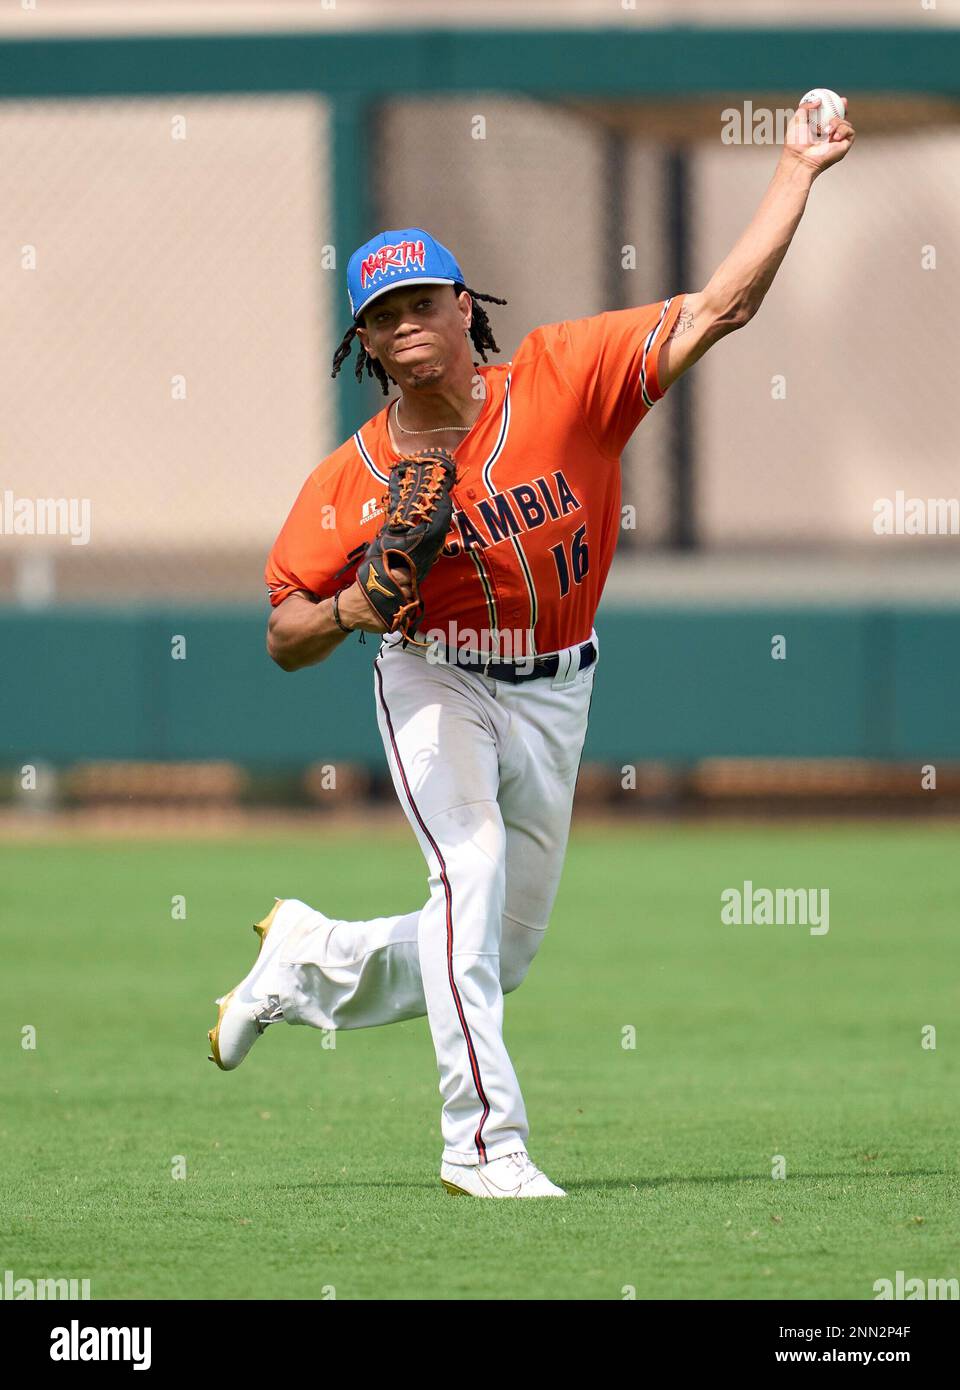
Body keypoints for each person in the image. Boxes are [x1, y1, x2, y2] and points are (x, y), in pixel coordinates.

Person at [208, 98, 855, 1198]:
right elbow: (282, 634)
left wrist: (795, 167)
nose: (407, 320)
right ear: (361, 341)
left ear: (467, 306)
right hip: (435, 678)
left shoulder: (565, 379)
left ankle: (310, 961)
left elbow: (722, 308)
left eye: (423, 298)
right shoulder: (348, 481)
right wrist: (356, 609)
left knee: (497, 951)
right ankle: (483, 1147)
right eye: (383, 311)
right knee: (468, 872)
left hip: (559, 688)